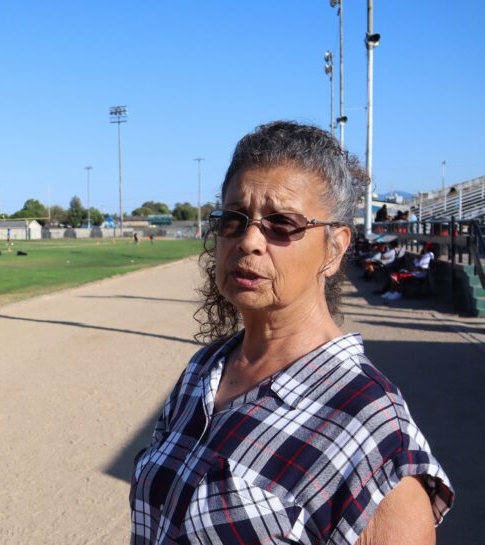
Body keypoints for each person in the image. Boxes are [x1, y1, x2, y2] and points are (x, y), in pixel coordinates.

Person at [130, 121, 452, 544]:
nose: (249, 241)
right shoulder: (203, 371)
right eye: (233, 218)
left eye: (282, 223)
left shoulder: (371, 426)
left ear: (334, 249)